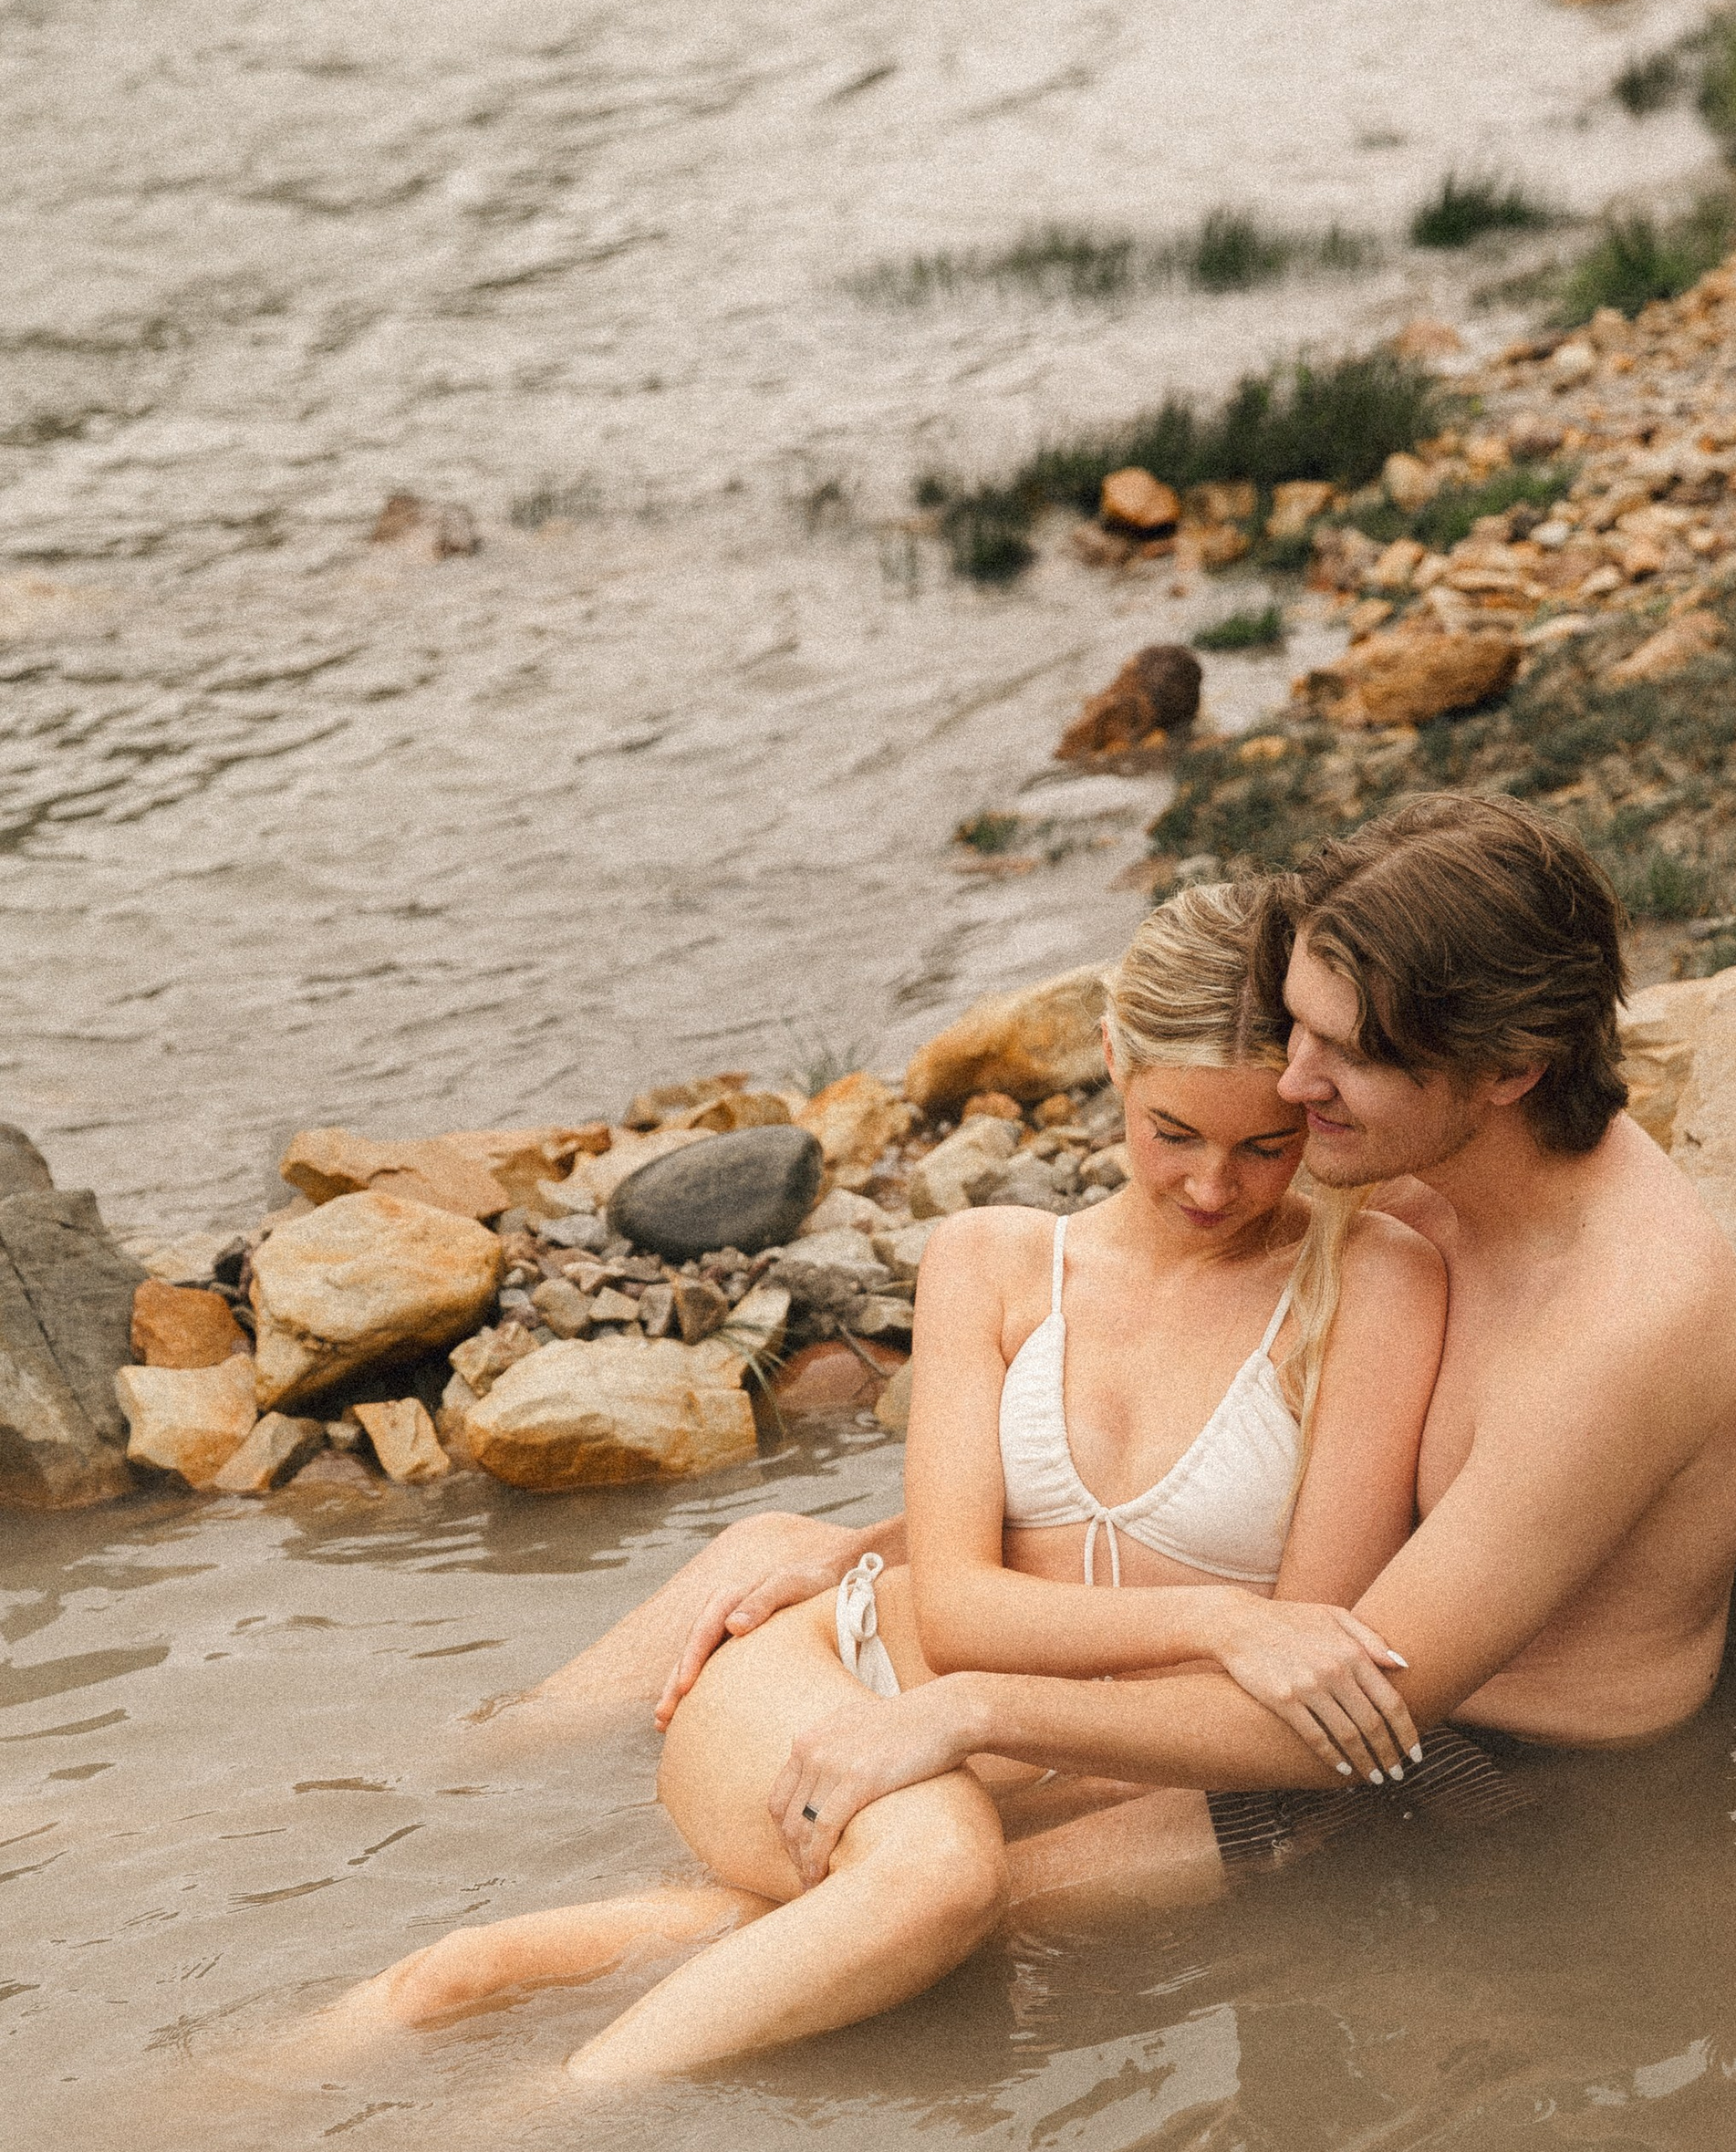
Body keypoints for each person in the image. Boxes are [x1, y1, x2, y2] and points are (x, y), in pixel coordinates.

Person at [310, 888, 1447, 2086]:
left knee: (542, 1967)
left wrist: (1250, 1639)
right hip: (839, 1689)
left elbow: (1304, 1677)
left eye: (1265, 1147)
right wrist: (1226, 1616)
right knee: (936, 1877)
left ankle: (447, 2008)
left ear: (1314, 1114)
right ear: (1112, 1059)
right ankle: (532, 2141)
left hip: (1096, 1776)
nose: (1215, 1187)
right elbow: (958, 1611)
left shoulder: (1372, 1281)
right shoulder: (994, 1261)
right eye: (1172, 1134)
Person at [720, 790, 1736, 1886]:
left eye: (1344, 1053)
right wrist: (883, 1545)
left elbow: (1363, 1709)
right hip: (1312, 1693)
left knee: (936, 1911)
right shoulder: (1439, 1166)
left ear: (1510, 1070)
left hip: (1495, 1774)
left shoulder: (1617, 1325)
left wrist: (966, 1711)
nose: (1290, 1081)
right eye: (1298, 1026)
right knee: (815, 1784)